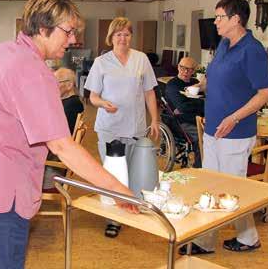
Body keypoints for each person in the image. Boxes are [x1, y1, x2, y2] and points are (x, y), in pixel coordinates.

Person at [0, 0, 137, 269]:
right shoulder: (34, 72)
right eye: (68, 31)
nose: (74, 39)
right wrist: (117, 189)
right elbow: (62, 146)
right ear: (44, 28)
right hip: (0, 189)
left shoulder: (2, 51)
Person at [179, 0, 268, 255]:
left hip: (235, 133)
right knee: (212, 187)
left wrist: (233, 117)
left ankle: (247, 238)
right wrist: (199, 87)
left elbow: (264, 93)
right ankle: (209, 240)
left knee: (232, 190)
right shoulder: (223, 44)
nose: (215, 22)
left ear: (236, 19)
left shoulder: (252, 50)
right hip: (213, 131)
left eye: (220, 17)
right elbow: (214, 78)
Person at [84, 17, 159, 238]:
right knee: (114, 174)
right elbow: (92, 97)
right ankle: (113, 218)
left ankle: (131, 208)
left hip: (135, 126)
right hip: (110, 128)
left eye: (126, 34)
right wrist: (102, 103)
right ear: (111, 37)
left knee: (134, 171)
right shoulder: (101, 62)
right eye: (118, 34)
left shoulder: (141, 59)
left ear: (131, 36)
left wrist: (154, 119)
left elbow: (149, 92)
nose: (123, 38)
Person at [42, 67, 84, 190]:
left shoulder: (73, 105)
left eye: (55, 82)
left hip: (54, 164)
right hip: (54, 155)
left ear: (69, 85)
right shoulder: (66, 102)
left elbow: (56, 136)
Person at [164, 57, 204, 168]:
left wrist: (191, 103)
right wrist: (198, 103)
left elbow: (206, 101)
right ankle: (199, 169)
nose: (185, 72)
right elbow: (183, 107)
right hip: (180, 122)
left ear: (193, 71)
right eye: (183, 68)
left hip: (198, 119)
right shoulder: (173, 85)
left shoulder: (196, 83)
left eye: (189, 69)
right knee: (202, 138)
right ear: (178, 67)